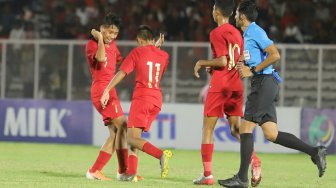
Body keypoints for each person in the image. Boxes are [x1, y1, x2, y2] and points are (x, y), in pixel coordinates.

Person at [218, 1, 327, 187]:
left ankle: (242, 178)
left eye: (236, 13)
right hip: (265, 84)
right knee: (271, 134)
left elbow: (275, 54)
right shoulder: (248, 34)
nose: (235, 16)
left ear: (242, 16)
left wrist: (253, 71)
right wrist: (247, 65)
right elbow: (258, 57)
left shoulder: (255, 31)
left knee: (245, 129)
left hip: (263, 83)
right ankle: (315, 151)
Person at [192, 0, 261, 186]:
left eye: (213, 8)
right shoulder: (238, 33)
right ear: (231, 14)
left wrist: (203, 62)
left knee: (208, 129)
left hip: (220, 86)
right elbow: (235, 61)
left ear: (216, 12)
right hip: (236, 85)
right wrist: (214, 66)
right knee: (236, 129)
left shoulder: (216, 32)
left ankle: (207, 175)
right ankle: (254, 160)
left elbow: (222, 61)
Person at [100, 25, 172, 182]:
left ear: (140, 40)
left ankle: (161, 155)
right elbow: (156, 68)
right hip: (157, 100)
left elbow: (122, 72)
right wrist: (155, 48)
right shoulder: (164, 55)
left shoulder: (137, 52)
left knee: (131, 139)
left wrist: (107, 89)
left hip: (142, 98)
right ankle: (131, 173)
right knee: (136, 136)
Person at [85, 12, 129, 181]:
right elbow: (101, 57)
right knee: (122, 126)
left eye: (115, 33)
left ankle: (99, 170)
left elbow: (121, 61)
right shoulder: (91, 44)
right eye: (109, 32)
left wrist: (147, 52)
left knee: (116, 132)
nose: (112, 36)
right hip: (101, 90)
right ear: (101, 29)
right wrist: (101, 40)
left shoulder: (114, 45)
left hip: (110, 90)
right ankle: (122, 171)